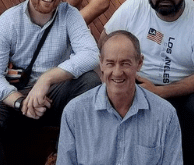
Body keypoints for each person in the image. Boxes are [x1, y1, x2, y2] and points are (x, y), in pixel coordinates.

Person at [0, 0, 101, 165]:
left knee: (90, 82)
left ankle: (62, 156)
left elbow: (91, 54)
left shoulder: (70, 15)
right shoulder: (8, 20)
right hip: (17, 93)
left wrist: (47, 79)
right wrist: (19, 101)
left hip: (54, 93)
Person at [102, 0, 194, 165]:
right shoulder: (136, 5)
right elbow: (106, 39)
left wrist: (160, 92)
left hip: (189, 88)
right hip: (137, 81)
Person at [57, 31, 184, 165]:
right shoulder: (74, 113)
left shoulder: (165, 115)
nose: (117, 72)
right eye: (110, 63)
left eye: (125, 63)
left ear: (139, 63)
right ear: (101, 63)